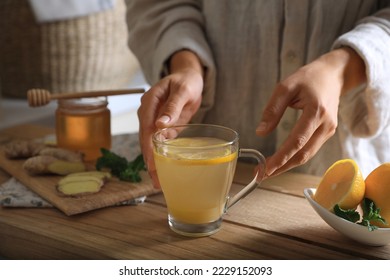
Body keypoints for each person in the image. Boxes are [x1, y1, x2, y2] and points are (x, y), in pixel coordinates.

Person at [126, 0, 390, 186]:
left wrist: (342, 68)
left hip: (347, 168)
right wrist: (186, 65)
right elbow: (155, 3)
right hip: (200, 171)